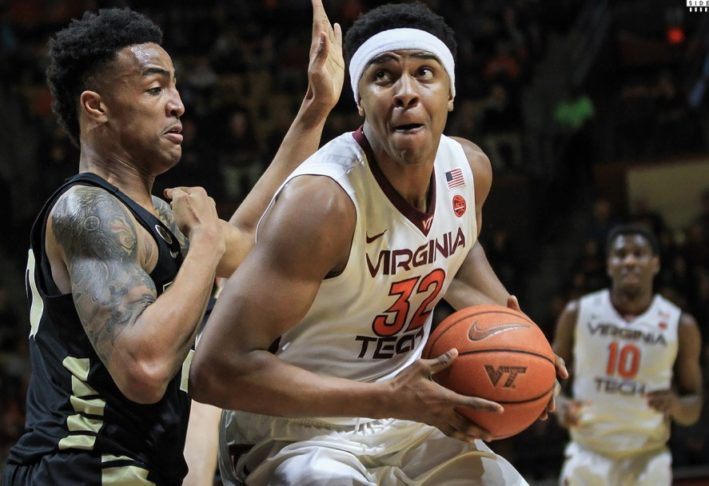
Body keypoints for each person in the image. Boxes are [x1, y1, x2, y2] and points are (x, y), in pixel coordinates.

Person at [190, 3, 564, 484]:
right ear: (360, 101)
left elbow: (460, 261)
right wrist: (387, 398)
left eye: (424, 73)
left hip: (407, 418)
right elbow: (214, 371)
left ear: (451, 93)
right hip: (294, 430)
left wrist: (530, 353)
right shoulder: (322, 203)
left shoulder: (469, 171)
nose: (406, 92)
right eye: (383, 76)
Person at [2, 3, 344, 485]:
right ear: (96, 106)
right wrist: (204, 241)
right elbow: (144, 368)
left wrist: (316, 106)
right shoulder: (86, 209)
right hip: (79, 470)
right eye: (155, 88)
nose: (178, 103)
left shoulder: (157, 216)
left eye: (175, 87)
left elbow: (252, 241)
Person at [552, 224, 703, 486]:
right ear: (609, 265)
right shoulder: (577, 312)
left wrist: (676, 405)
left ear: (655, 263)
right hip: (588, 453)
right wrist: (559, 403)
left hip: (647, 457)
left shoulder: (681, 325)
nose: (630, 261)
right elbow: (546, 380)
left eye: (639, 254)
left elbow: (694, 406)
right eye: (621, 255)